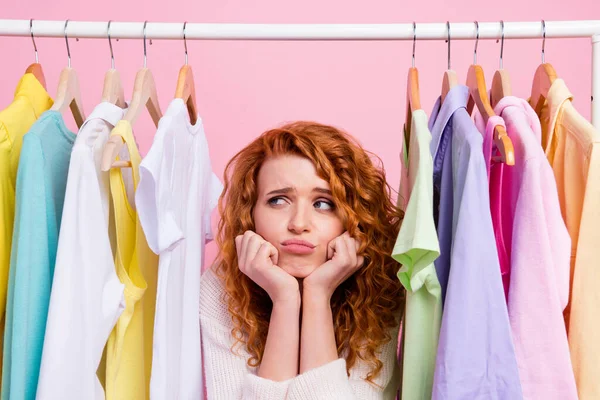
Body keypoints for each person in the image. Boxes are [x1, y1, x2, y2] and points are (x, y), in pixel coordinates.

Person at [199, 121, 404, 399]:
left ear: (352, 219)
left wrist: (317, 295)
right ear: (251, 213)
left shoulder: (379, 287)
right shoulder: (221, 288)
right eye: (278, 200)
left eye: (323, 203)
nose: (299, 223)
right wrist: (285, 299)